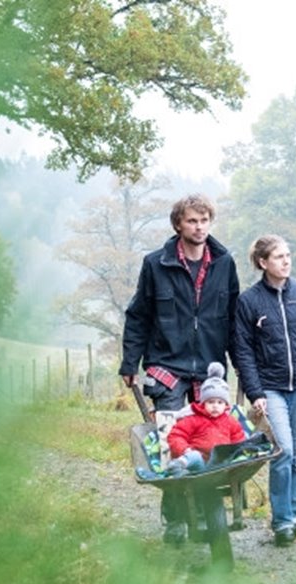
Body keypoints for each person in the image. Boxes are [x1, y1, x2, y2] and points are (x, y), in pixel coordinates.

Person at [119, 194, 240, 544]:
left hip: (209, 368)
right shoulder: (155, 264)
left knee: (210, 437)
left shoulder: (224, 263)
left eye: (204, 221)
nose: (199, 227)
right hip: (166, 365)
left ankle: (205, 509)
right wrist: (130, 363)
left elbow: (233, 319)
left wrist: (243, 365)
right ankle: (174, 517)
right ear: (178, 225)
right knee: (173, 442)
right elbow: (139, 316)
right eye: (191, 221)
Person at [232, 235, 296, 547]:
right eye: (278, 257)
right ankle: (281, 521)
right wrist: (255, 391)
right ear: (263, 262)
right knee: (283, 451)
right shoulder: (248, 302)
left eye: (288, 255)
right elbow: (243, 351)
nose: (286, 261)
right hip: (270, 389)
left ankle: (295, 516)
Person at [165, 362, 246, 474]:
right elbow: (176, 436)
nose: (215, 406)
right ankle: (178, 466)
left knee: (230, 458)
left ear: (226, 405)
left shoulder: (231, 422)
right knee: (194, 455)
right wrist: (185, 450)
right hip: (199, 464)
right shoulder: (193, 419)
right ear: (203, 403)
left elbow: (239, 441)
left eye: (220, 402)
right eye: (210, 402)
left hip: (221, 465)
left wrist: (236, 455)